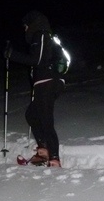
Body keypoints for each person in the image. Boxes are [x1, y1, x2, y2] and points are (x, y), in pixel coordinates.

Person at [4, 10, 64, 167]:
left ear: (32, 24)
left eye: (25, 26)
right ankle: (44, 150)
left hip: (48, 80)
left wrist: (12, 55)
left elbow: (37, 60)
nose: (25, 29)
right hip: (43, 81)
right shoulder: (40, 37)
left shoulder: (41, 34)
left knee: (45, 119)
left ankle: (54, 158)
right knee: (32, 114)